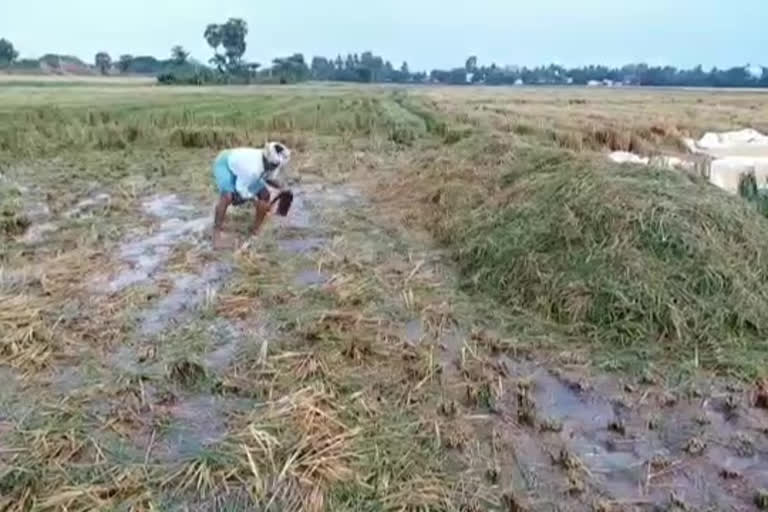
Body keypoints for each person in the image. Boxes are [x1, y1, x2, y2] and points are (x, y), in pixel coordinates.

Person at [211, 141, 291, 248]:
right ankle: (216, 237)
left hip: (240, 166)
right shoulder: (253, 169)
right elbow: (241, 188)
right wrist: (255, 201)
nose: (274, 168)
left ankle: (255, 231)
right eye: (273, 166)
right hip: (225, 163)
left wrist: (283, 188)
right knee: (228, 196)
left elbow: (269, 178)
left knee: (264, 195)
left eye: (276, 166)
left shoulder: (272, 162)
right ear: (267, 160)